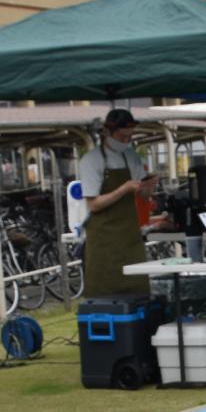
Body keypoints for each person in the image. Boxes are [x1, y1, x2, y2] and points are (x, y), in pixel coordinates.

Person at [76, 107, 149, 296]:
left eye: (129, 138)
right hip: (104, 241)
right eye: (122, 137)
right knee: (106, 293)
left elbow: (143, 196)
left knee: (138, 290)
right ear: (106, 132)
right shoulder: (91, 161)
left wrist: (148, 187)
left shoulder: (132, 157)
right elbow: (93, 204)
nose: (126, 142)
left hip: (129, 236)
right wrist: (124, 189)